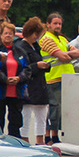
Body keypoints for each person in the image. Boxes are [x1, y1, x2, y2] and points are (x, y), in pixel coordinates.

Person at [39, 12, 79, 144]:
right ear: (48, 24)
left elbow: (77, 53)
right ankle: (48, 137)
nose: (58, 26)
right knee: (52, 108)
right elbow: (62, 57)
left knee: (60, 110)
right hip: (52, 77)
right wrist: (67, 54)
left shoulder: (63, 39)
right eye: (55, 23)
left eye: (60, 24)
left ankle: (55, 135)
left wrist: (65, 54)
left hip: (66, 78)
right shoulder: (46, 39)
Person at [0, 23, 31, 138]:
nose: (8, 36)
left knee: (15, 122)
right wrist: (4, 79)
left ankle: (14, 143)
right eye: (5, 33)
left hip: (16, 92)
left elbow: (27, 69)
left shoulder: (20, 51)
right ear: (1, 35)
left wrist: (19, 78)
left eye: (10, 34)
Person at [16, 17, 51, 145]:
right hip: (28, 85)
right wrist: (37, 66)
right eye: (35, 34)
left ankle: (40, 141)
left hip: (39, 84)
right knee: (26, 115)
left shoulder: (36, 46)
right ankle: (25, 140)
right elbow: (22, 66)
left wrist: (46, 66)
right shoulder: (20, 46)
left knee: (41, 115)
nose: (36, 37)